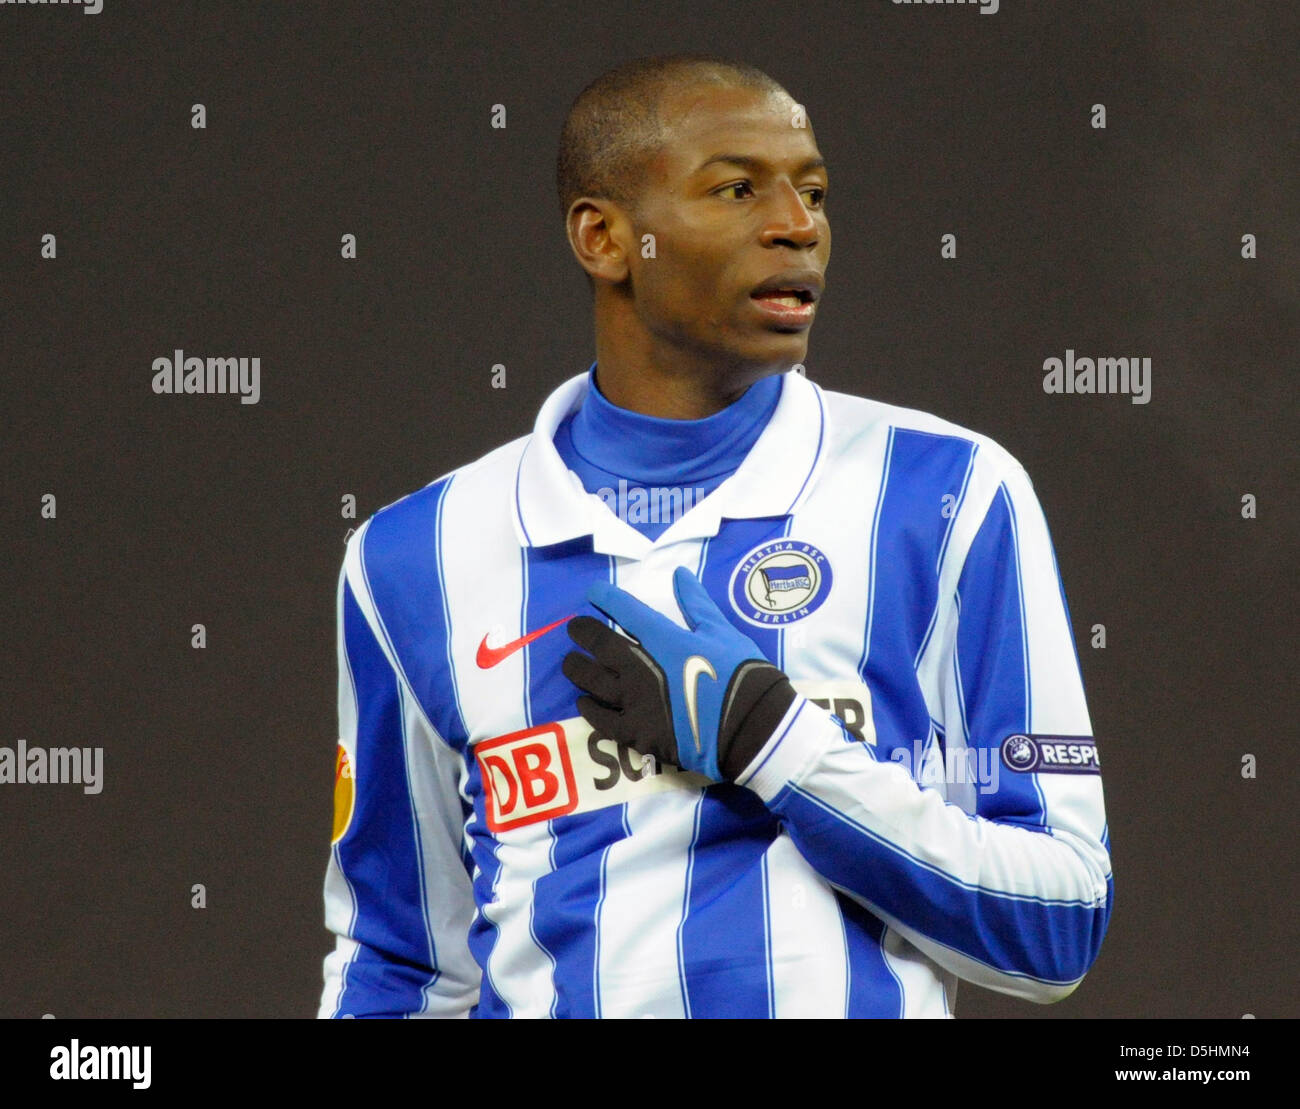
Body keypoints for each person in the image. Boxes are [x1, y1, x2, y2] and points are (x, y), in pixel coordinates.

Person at [316, 53, 1113, 1019]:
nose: (797, 225)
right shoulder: (416, 557)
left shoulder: (948, 496)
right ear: (604, 238)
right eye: (736, 189)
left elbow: (1060, 923)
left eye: (813, 190)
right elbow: (396, 966)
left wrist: (771, 740)